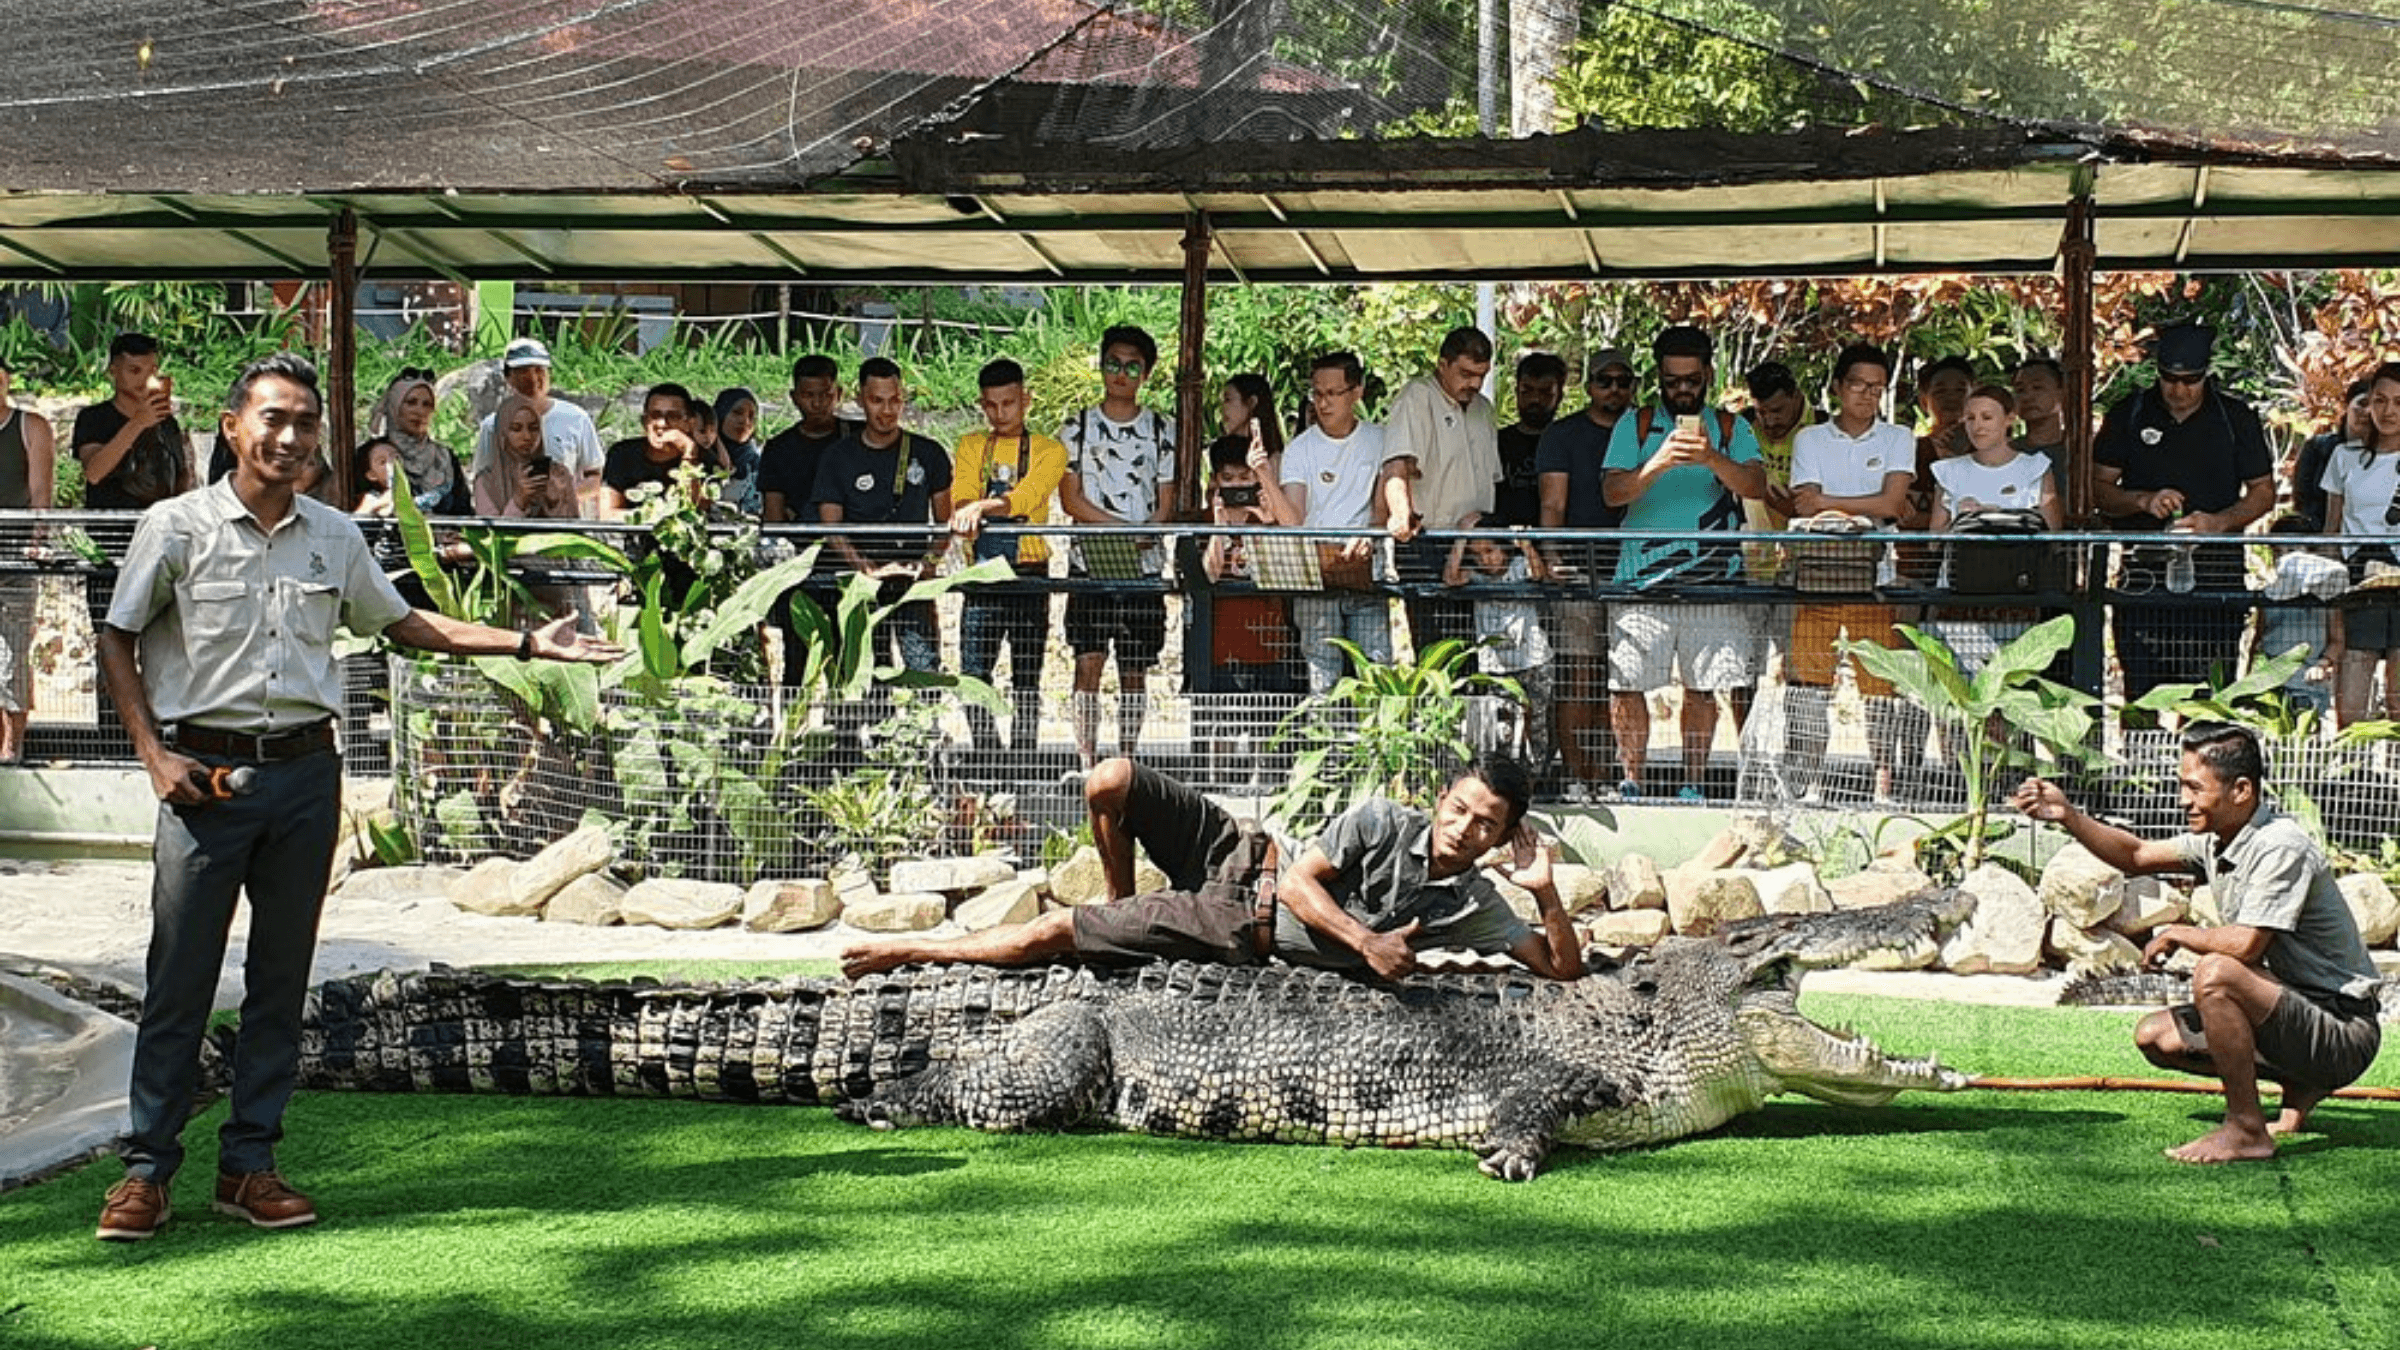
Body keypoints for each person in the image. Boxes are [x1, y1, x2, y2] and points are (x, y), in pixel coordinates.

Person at [90, 353, 622, 1242]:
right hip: (202, 781)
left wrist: (528, 645)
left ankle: (250, 1165)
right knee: (179, 980)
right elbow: (117, 638)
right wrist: (151, 756)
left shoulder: (334, 534)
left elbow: (402, 623)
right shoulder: (174, 526)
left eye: (305, 422)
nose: (290, 437)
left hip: (306, 776)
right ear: (233, 427)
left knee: (279, 980)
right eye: (273, 419)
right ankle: (145, 1171)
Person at [839, 755, 1583, 984]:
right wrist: (1366, 943)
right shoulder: (1384, 818)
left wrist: (1547, 896)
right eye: (1459, 809)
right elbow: (1298, 880)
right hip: (1241, 853)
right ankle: (1121, 911)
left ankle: (907, 948)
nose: (1464, 828)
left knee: (1059, 929)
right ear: (1440, 799)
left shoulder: (1475, 900)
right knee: (1111, 780)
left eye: (1485, 823)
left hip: (1238, 925)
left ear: (1502, 836)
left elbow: (1559, 970)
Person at [2013, 724, 2381, 1164]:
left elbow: (2246, 945)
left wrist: (2179, 933)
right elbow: (2135, 856)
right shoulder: (2217, 839)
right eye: (2181, 785)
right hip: (2297, 1011)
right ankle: (2300, 1084)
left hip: (2343, 1030)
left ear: (2242, 790)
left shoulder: (2281, 847)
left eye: (2194, 787)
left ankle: (2247, 1129)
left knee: (2218, 973)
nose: (2183, 800)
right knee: (2157, 1037)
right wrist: (2069, 817)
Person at [1600, 325, 1766, 802]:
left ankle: (1694, 782)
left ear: (1708, 375)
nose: (1682, 389)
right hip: (1641, 580)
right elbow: (1612, 493)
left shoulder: (1732, 427)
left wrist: (1712, 457)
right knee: (1628, 685)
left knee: (1704, 687)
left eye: (1691, 379)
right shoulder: (1635, 424)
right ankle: (1632, 780)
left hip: (1715, 580)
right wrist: (1659, 463)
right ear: (1659, 378)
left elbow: (1755, 485)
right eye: (1673, 381)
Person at [2095, 323, 2276, 696]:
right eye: (2169, 378)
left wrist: (2219, 522)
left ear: (2206, 374)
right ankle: (2138, 748)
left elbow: (2263, 492)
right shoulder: (2129, 413)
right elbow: (2097, 488)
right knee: (2140, 691)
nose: (2178, 390)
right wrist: (2142, 500)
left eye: (2190, 380)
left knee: (2209, 693)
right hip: (2144, 570)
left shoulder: (2235, 417)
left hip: (2216, 571)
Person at [1783, 343, 1919, 801]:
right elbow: (1804, 501)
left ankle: (1884, 783)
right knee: (1809, 682)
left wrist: (1826, 502)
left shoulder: (1898, 437)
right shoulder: (1810, 439)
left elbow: (1893, 505)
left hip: (1875, 575)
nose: (1867, 395)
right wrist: (1845, 507)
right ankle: (1811, 783)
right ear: (1838, 386)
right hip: (1816, 572)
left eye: (1876, 387)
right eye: (1858, 384)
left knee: (1879, 683)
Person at [1058, 324, 1178, 771]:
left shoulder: (1163, 429)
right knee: (1087, 661)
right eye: (1113, 363)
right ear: (1101, 366)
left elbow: (1167, 499)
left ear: (1145, 373)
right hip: (1088, 563)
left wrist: (1148, 529)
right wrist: (1120, 529)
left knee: (1135, 667)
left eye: (1131, 366)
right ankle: (1086, 762)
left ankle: (1128, 760)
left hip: (1144, 566)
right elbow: (1070, 499)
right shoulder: (1076, 427)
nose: (1121, 374)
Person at [950, 358, 1067, 748]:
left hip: (1030, 568)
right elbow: (962, 494)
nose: (1001, 414)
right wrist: (973, 505)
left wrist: (981, 508)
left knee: (1027, 674)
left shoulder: (1050, 450)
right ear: (982, 405)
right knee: (973, 672)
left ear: (1026, 400)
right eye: (992, 405)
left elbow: (1028, 497)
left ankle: (1023, 754)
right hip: (981, 572)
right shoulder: (970, 445)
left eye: (1009, 403)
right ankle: (987, 752)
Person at [1536, 348, 1636, 802]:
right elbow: (1552, 504)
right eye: (1604, 380)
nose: (1613, 389)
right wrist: (1553, 555)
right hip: (1578, 569)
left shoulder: (1648, 430)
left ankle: (1609, 774)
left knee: (1619, 680)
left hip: (1635, 571)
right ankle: (1577, 776)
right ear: (1589, 386)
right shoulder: (1563, 435)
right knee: (1579, 673)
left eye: (1622, 380)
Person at [811, 356, 952, 675]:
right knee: (868, 672)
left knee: (924, 670)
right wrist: (867, 569)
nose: (887, 411)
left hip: (913, 583)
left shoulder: (929, 453)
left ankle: (924, 725)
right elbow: (830, 526)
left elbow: (946, 522)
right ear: (860, 400)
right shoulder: (837, 457)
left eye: (894, 400)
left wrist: (928, 565)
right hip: (860, 585)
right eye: (877, 400)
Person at [1379, 326, 1499, 650]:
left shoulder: (1484, 409)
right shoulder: (1416, 397)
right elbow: (1395, 464)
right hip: (1428, 543)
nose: (1474, 383)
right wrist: (1401, 514)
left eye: (1481, 375)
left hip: (1478, 546)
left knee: (1478, 650)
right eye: (1465, 373)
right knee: (1436, 652)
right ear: (1442, 364)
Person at [1280, 351, 1391, 696]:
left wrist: (1370, 536)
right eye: (1317, 393)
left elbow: (1382, 509)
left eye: (1333, 393)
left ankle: (1373, 748)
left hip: (1365, 573)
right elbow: (1294, 516)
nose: (1323, 403)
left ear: (1356, 393)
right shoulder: (1299, 449)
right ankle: (1325, 747)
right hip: (1315, 575)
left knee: (1374, 669)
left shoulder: (1382, 441)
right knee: (1321, 675)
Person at [1197, 433, 1303, 776]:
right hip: (1222, 636)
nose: (1237, 487)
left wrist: (1266, 519)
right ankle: (1218, 777)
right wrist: (1218, 527)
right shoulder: (1204, 518)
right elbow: (1209, 573)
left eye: (1244, 478)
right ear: (1215, 481)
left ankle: (1263, 775)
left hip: (1266, 631)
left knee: (1264, 711)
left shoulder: (1268, 518)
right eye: (1228, 479)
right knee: (1221, 714)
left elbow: (1282, 566)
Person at [2316, 362, 2400, 726]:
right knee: (2350, 707)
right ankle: (2353, 777)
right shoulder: (2343, 457)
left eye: (2399, 402)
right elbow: (2331, 529)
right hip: (2357, 585)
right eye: (2379, 400)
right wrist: (2327, 589)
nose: (2388, 411)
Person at [1444, 527, 1553, 770]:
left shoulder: (1518, 566)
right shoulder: (1475, 575)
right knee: (1502, 725)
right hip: (1496, 668)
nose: (1486, 559)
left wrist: (1525, 545)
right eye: (1478, 554)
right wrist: (1460, 539)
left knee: (1535, 723)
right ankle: (1506, 774)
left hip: (1532, 660)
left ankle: (1535, 776)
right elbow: (1451, 578)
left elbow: (1538, 574)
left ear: (1503, 548)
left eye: (1490, 550)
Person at [469, 339, 605, 518]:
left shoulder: (576, 418)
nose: (533, 379)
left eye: (539, 370)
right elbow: (483, 481)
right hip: (512, 528)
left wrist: (564, 495)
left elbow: (594, 475)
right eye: (523, 371)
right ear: (508, 377)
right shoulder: (491, 426)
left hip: (563, 531)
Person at [0, 355, 55, 764]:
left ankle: (13, 743)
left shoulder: (30, 426)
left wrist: (38, 540)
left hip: (15, 558)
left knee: (13, 651)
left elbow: (41, 495)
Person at [74, 332, 194, 511]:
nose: (145, 379)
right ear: (113, 371)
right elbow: (94, 472)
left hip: (159, 528)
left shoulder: (166, 422)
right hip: (111, 530)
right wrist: (137, 423)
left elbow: (180, 478)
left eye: (152, 371)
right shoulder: (94, 418)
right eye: (135, 371)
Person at [601, 382, 712, 517]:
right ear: (644, 421)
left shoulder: (707, 458)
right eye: (655, 415)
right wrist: (653, 519)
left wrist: (689, 453)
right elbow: (607, 514)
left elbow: (698, 510)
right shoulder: (622, 454)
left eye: (673, 416)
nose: (662, 424)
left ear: (690, 423)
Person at [364, 369, 464, 514]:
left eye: (427, 404)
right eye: (411, 402)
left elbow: (463, 511)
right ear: (394, 406)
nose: (419, 411)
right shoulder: (374, 455)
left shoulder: (444, 458)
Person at [1493, 351, 1564, 529]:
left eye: (1545, 392)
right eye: (1527, 390)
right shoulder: (1496, 442)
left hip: (1556, 543)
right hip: (1501, 545)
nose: (1535, 399)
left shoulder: (1569, 441)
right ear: (1516, 390)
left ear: (1560, 394)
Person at [2291, 378, 2371, 535]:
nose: (2367, 412)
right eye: (2362, 403)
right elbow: (2302, 502)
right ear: (2347, 406)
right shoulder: (2318, 447)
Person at [1219, 372, 1285, 479]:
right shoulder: (1221, 452)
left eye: (1228, 399)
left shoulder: (1274, 461)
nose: (1223, 407)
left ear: (1251, 402)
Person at [713, 387, 764, 516]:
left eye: (751, 417)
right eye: (737, 413)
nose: (745, 421)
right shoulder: (700, 457)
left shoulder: (756, 463)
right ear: (721, 414)